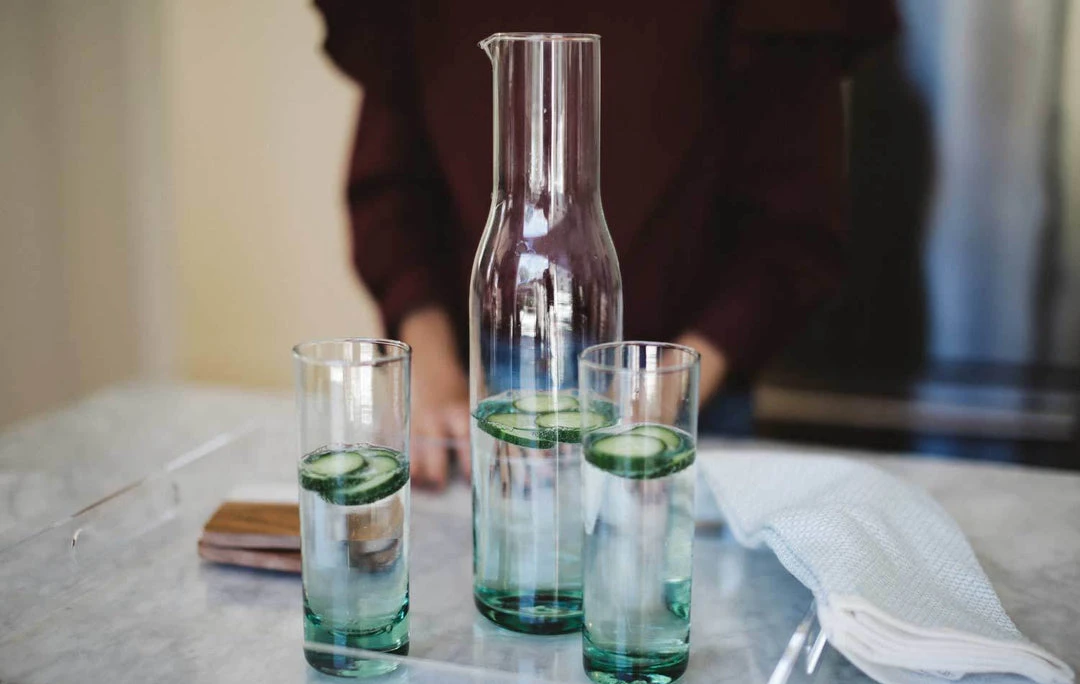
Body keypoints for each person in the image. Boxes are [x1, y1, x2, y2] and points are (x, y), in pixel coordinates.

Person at [314, 1, 897, 487]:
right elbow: (390, 191)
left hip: (683, 397)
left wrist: (669, 383)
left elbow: (795, 224)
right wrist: (435, 370)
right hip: (478, 399)